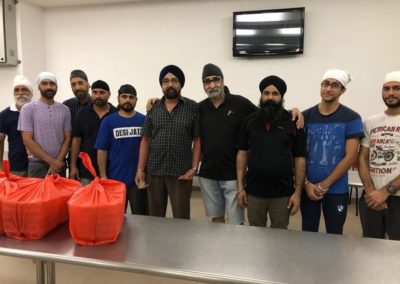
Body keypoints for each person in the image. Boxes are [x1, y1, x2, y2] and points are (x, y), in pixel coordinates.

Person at [146, 63, 304, 224]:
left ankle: (235, 249)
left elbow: (266, 111)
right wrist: (155, 101)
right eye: (207, 81)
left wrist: (292, 111)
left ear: (222, 81)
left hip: (232, 176)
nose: (212, 84)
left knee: (236, 222)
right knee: (217, 219)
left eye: (216, 80)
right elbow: (177, 108)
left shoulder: (240, 104)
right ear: (203, 85)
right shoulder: (198, 108)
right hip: (208, 175)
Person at [236, 75, 306, 229]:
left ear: (282, 97)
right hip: (254, 191)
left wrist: (297, 193)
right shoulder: (249, 121)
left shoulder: (293, 122)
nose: (270, 97)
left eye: (275, 94)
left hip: (283, 193)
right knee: (255, 233)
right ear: (261, 95)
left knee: (279, 236)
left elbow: (299, 158)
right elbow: (242, 154)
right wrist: (241, 188)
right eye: (266, 93)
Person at [301, 69, 364, 234]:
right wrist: (306, 183)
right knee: (308, 233)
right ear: (321, 86)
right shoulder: (305, 116)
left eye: (335, 85)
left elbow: (351, 156)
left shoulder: (352, 118)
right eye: (325, 84)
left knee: (335, 233)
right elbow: (297, 154)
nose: (328, 89)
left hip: (336, 190)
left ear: (343, 90)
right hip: (308, 188)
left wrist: (324, 185)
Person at [135, 65, 201, 220]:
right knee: (155, 217)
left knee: (181, 217)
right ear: (161, 85)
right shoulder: (153, 108)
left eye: (174, 80)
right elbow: (145, 139)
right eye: (165, 81)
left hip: (181, 173)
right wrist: (140, 169)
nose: (170, 84)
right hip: (155, 171)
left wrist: (194, 167)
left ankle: (181, 245)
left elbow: (198, 139)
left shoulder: (193, 107)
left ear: (181, 84)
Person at [358, 71, 400, 240]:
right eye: (386, 88)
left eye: (396, 88)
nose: (391, 93)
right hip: (371, 196)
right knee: (370, 246)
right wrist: (371, 192)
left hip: (397, 197)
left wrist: (385, 192)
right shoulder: (370, 122)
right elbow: (362, 158)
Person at [96, 84, 148, 215]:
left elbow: (148, 147)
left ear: (136, 100)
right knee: (116, 216)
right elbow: (102, 150)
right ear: (118, 98)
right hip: (115, 180)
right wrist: (103, 176)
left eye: (131, 97)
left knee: (142, 217)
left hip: (138, 180)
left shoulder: (144, 120)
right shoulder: (108, 122)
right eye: (124, 97)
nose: (127, 100)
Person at [18, 71, 71, 178]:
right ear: (38, 87)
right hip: (37, 165)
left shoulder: (65, 110)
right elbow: (27, 139)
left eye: (52, 84)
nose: (49, 87)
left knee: (59, 195)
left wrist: (58, 161)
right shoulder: (28, 109)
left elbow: (67, 138)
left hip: (59, 165)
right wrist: (52, 161)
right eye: (44, 83)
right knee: (37, 195)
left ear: (56, 87)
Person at [69, 80, 117, 185]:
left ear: (109, 94)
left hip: (111, 170)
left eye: (102, 92)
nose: (98, 96)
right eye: (94, 92)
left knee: (108, 201)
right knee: (87, 201)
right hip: (87, 170)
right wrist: (73, 166)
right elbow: (76, 139)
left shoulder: (116, 113)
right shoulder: (83, 112)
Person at [0, 75, 33, 176]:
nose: (20, 93)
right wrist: (0, 165)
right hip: (16, 167)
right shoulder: (5, 114)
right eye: (17, 90)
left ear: (31, 93)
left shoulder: (37, 111)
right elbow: (0, 141)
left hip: (39, 165)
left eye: (24, 89)